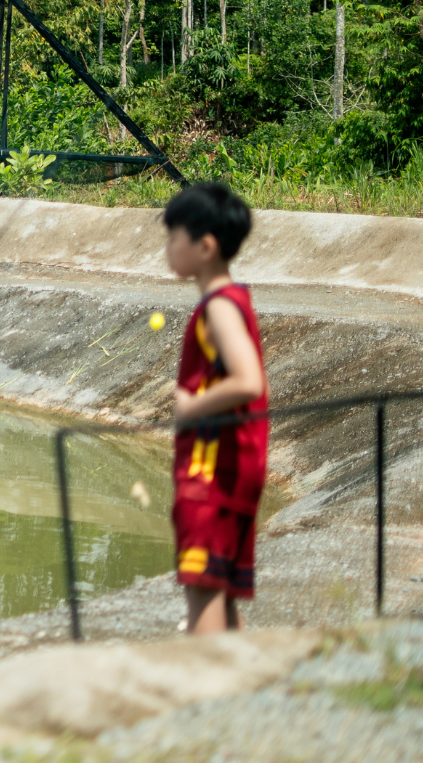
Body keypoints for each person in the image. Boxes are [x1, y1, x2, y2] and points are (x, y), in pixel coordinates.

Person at [162, 181, 269, 634]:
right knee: (220, 592)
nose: (167, 248)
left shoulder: (219, 308)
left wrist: (191, 407)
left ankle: (204, 693)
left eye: (173, 237)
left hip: (211, 474)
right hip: (235, 468)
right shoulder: (234, 299)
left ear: (204, 246)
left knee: (203, 591)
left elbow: (248, 381)